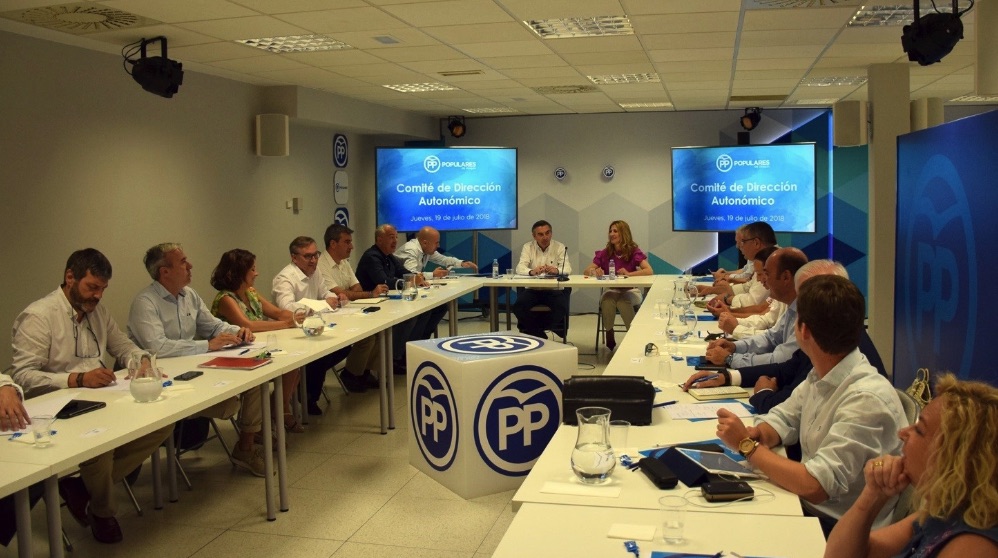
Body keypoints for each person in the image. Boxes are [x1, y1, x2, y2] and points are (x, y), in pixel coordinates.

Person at [715, 275, 907, 535]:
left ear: (803, 330)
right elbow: (785, 417)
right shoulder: (825, 372)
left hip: (837, 528)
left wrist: (747, 446)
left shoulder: (865, 399)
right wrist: (759, 433)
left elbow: (816, 486)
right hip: (813, 509)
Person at [11, 249, 173, 544]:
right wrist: (76, 379)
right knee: (100, 445)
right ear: (70, 277)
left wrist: (143, 361)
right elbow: (22, 376)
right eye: (92, 287)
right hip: (56, 407)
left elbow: (124, 347)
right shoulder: (39, 316)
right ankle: (102, 511)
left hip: (102, 398)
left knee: (162, 422)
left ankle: (82, 489)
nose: (98, 296)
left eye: (102, 289)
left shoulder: (97, 312)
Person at [128, 243, 268, 478]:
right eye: (183, 262)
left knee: (256, 377)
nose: (190, 265)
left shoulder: (189, 295)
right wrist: (206, 345)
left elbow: (213, 325)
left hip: (195, 369)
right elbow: (157, 347)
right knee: (230, 404)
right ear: (165, 272)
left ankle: (245, 448)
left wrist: (238, 331)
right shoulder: (146, 302)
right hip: (164, 380)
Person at [825, 374, 998, 557]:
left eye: (919, 430)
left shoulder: (974, 547)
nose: (902, 433)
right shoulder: (946, 510)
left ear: (955, 456)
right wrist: (873, 494)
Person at [686, 260, 888, 414]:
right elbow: (787, 370)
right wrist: (728, 376)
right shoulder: (832, 339)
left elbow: (783, 405)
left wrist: (763, 396)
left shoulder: (837, 355)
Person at [209, 248, 303, 433]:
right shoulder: (225, 299)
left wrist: (300, 316)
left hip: (256, 347)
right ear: (237, 273)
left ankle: (280, 409)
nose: (256, 273)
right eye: (252, 269)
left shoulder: (251, 292)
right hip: (234, 354)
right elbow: (248, 325)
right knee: (264, 376)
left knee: (294, 365)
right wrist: (286, 324)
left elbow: (276, 312)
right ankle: (257, 427)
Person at [271, 236, 351, 414]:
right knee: (319, 356)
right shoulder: (285, 278)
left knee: (344, 347)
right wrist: (318, 305)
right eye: (308, 256)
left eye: (316, 255)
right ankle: (308, 396)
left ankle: (306, 389)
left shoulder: (315, 272)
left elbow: (325, 292)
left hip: (313, 328)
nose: (314, 260)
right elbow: (287, 308)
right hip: (290, 333)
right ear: (294, 257)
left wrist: (335, 297)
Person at [356, 224, 441, 376]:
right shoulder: (372, 256)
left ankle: (405, 354)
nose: (395, 241)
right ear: (379, 239)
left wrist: (416, 277)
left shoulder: (389, 256)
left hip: (387, 301)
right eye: (391, 237)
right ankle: (394, 358)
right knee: (409, 318)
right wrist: (410, 281)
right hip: (369, 306)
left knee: (424, 313)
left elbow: (403, 272)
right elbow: (383, 280)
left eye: (396, 237)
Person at [703, 247, 808, 367]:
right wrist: (734, 347)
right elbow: (771, 338)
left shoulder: (807, 311)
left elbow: (782, 359)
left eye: (766, 274)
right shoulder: (792, 305)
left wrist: (730, 358)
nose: (763, 280)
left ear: (785, 277)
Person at [317, 223, 389, 392]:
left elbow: (356, 289)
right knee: (367, 336)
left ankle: (363, 372)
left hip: (347, 311)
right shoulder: (322, 265)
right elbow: (339, 293)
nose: (352, 246)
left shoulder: (344, 262)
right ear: (333, 244)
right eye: (347, 242)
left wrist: (347, 293)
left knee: (378, 330)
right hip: (330, 317)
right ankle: (351, 374)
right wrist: (369, 294)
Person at [583, 220, 653, 350]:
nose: (611, 234)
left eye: (615, 231)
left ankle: (632, 336)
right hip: (612, 290)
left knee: (623, 302)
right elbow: (586, 270)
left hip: (631, 291)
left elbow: (649, 270)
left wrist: (629, 274)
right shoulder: (605, 252)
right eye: (610, 231)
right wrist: (595, 271)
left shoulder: (633, 251)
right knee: (607, 300)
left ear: (623, 233)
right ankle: (609, 331)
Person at [512, 220, 572, 338]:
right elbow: (520, 267)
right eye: (540, 234)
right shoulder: (528, 247)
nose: (545, 237)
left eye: (547, 233)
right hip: (533, 289)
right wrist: (531, 271)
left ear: (551, 233)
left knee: (562, 307)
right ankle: (539, 333)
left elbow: (568, 268)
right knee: (518, 307)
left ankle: (535, 330)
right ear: (534, 236)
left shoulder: (559, 247)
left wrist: (556, 270)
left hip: (553, 290)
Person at [700, 222, 778, 311]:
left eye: (743, 242)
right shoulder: (763, 259)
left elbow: (753, 302)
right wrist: (713, 290)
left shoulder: (772, 261)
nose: (738, 246)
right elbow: (747, 287)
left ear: (756, 243)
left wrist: (727, 299)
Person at [715, 246, 785, 338]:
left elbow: (776, 338)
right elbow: (766, 320)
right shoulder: (780, 293)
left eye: (763, 274)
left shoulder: (796, 301)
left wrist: (736, 329)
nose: (759, 279)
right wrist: (733, 320)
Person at [396, 225, 477, 277]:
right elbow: (410, 275)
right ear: (425, 243)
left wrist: (462, 263)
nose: (438, 246)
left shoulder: (426, 249)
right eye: (436, 243)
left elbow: (443, 259)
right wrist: (433, 274)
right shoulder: (410, 250)